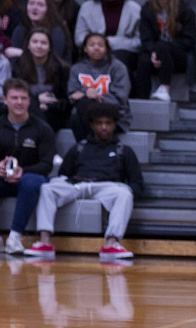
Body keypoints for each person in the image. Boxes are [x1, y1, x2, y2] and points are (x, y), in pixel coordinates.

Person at [39, 105, 145, 261]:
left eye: (108, 123)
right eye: (99, 123)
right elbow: (63, 174)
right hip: (78, 185)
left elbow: (137, 184)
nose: (103, 127)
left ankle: (111, 244)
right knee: (47, 188)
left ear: (114, 125)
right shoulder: (79, 148)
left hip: (107, 187)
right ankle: (45, 241)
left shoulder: (124, 151)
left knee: (124, 193)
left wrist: (124, 188)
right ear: (92, 125)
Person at [0, 79, 55, 256]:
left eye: (23, 98)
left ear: (29, 101)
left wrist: (24, 171)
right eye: (14, 98)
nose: (19, 102)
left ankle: (15, 237)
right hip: (1, 179)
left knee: (32, 181)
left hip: (28, 179)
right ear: (4, 99)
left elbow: (46, 165)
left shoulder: (42, 128)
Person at [132, 0, 195, 103]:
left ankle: (165, 89)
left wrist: (161, 50)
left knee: (162, 46)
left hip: (181, 57)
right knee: (143, 60)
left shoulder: (185, 9)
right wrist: (155, 53)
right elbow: (146, 39)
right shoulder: (147, 9)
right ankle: (141, 100)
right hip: (156, 54)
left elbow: (189, 42)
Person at [66, 31, 130, 125]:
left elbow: (121, 98)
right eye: (92, 45)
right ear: (85, 49)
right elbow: (72, 95)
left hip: (113, 112)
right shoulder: (76, 69)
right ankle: (86, 140)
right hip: (84, 112)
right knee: (77, 113)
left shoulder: (118, 67)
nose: (96, 48)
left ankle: (90, 139)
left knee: (86, 104)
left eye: (100, 45)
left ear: (106, 49)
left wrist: (95, 96)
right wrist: (86, 92)